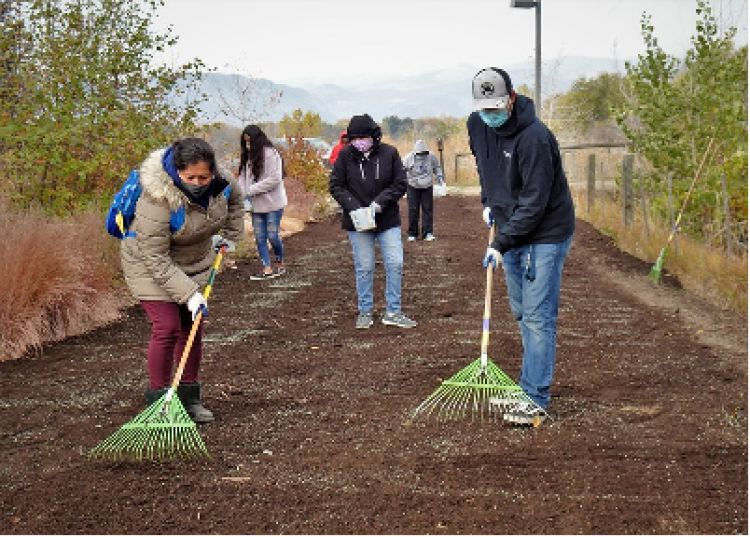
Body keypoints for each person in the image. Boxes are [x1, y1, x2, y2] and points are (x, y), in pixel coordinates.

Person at [467, 67, 576, 426]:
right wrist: (489, 201)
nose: (491, 116)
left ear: (511, 99)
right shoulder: (477, 126)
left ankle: (535, 398)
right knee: (520, 312)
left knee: (538, 316)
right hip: (510, 226)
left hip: (545, 231)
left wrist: (501, 242)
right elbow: (487, 169)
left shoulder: (535, 138)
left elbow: (535, 201)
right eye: (485, 109)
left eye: (497, 108)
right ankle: (527, 386)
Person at [121, 137, 245, 423]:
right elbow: (155, 258)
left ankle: (189, 399)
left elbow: (237, 202)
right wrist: (189, 295)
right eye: (190, 177)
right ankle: (159, 403)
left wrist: (230, 236)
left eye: (204, 176)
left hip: (195, 261)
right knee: (167, 327)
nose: (199, 182)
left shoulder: (222, 182)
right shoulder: (155, 199)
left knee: (193, 328)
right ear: (176, 172)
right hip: (149, 264)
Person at [329, 113, 417, 330]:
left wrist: (380, 203)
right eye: (355, 138)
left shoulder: (390, 153)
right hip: (358, 223)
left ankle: (393, 310)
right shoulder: (345, 156)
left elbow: (400, 183)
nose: (360, 142)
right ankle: (365, 310)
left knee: (395, 263)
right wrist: (353, 207)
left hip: (386, 219)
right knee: (365, 266)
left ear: (374, 136)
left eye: (364, 137)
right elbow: (336, 185)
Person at [238, 124, 288, 280]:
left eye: (250, 141)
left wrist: (250, 190)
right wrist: (240, 194)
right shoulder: (247, 157)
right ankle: (266, 268)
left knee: (272, 235)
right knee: (259, 237)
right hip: (255, 205)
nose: (247, 145)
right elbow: (243, 179)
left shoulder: (271, 154)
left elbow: (274, 179)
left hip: (273, 203)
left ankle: (279, 263)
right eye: (245, 142)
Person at [402, 139, 444, 242]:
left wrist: (439, 176)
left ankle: (428, 233)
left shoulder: (431, 156)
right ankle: (412, 233)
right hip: (413, 186)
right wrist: (402, 184)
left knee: (428, 209)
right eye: (419, 153)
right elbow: (401, 170)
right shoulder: (408, 158)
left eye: (424, 153)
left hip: (427, 186)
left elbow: (437, 167)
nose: (422, 155)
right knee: (413, 210)